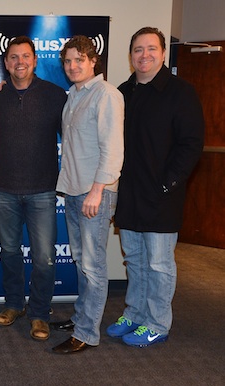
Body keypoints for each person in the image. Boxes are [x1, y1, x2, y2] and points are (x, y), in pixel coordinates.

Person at [105, 27, 204, 347]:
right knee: (133, 259)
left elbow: (191, 144)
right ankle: (134, 313)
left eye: (151, 49)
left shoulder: (181, 92)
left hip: (163, 196)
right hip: (130, 195)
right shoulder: (123, 92)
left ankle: (157, 322)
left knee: (159, 264)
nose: (144, 55)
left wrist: (168, 183)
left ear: (163, 53)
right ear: (130, 55)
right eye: (137, 49)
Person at [0, 36, 67, 341]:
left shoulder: (55, 95)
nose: (19, 62)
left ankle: (39, 313)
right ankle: (13, 305)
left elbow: (72, 137)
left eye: (25, 57)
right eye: (13, 57)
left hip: (43, 189)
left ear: (34, 60)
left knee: (44, 257)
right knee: (9, 252)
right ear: (6, 64)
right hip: (4, 188)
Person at [49, 36, 124, 354]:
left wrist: (97, 191)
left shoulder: (106, 94)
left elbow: (112, 148)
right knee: (82, 261)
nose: (72, 66)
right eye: (67, 61)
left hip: (96, 193)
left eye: (79, 59)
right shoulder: (74, 96)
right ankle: (82, 318)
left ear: (94, 60)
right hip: (76, 190)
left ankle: (87, 333)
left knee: (93, 266)